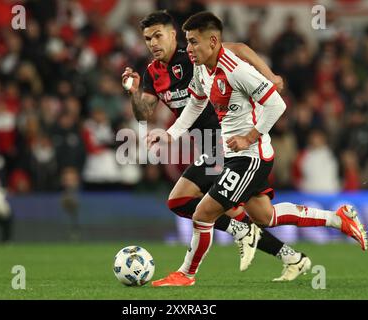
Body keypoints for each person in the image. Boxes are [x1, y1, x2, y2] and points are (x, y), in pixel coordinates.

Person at [148, 12, 368, 287]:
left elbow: (277, 104)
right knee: (267, 216)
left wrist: (249, 136)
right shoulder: (202, 67)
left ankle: (186, 274)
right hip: (233, 155)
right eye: (188, 42)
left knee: (203, 214)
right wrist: (170, 134)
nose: (188, 49)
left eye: (193, 42)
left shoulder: (236, 70)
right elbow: (195, 103)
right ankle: (338, 219)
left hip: (250, 157)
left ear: (213, 41)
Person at [122, 11, 311, 281]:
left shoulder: (193, 53)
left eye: (158, 36)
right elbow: (143, 114)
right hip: (205, 144)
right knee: (257, 214)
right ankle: (291, 256)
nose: (152, 43)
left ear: (173, 34)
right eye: (147, 38)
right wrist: (134, 93)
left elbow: (241, 50)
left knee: (186, 202)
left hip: (223, 140)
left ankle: (194, 269)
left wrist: (270, 76)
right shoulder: (153, 72)